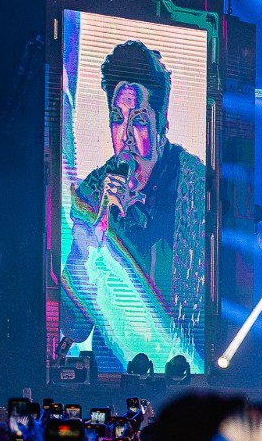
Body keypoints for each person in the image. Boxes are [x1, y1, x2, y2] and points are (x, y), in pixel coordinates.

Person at [63, 39, 208, 371]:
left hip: (182, 370)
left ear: (162, 122)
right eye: (117, 118)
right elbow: (74, 326)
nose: (125, 133)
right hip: (112, 372)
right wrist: (98, 229)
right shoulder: (93, 190)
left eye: (139, 121)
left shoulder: (195, 185)